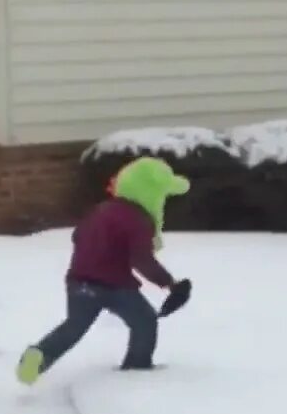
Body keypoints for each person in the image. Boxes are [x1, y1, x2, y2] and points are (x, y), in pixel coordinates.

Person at [16, 157, 193, 385]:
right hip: (115, 285)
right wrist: (169, 283)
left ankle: (39, 356)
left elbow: (77, 236)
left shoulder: (100, 210)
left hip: (79, 281)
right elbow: (141, 259)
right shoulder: (138, 220)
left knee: (74, 327)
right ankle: (137, 368)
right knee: (145, 320)